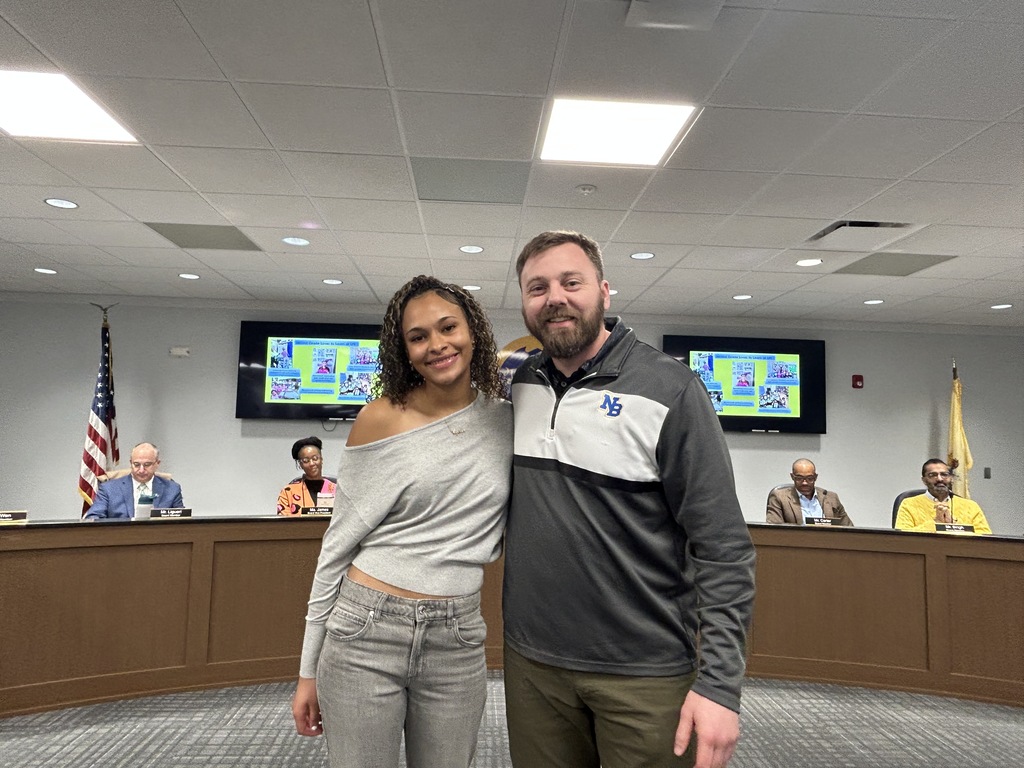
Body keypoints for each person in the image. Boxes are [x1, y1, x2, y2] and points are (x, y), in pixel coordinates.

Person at [503, 231, 756, 768]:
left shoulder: (672, 389)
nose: (555, 298)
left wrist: (719, 685)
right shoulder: (522, 384)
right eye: (537, 287)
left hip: (646, 673)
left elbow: (724, 548)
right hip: (534, 667)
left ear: (604, 291)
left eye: (572, 282)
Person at [291, 276, 512, 768]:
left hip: (457, 636)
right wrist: (308, 670)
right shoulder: (380, 418)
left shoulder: (506, 421)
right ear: (404, 350)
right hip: (365, 629)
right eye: (418, 336)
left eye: (447, 327)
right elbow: (337, 547)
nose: (437, 345)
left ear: (473, 331)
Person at [84, 442, 183, 520]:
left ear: (157, 463)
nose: (141, 470)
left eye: (147, 465)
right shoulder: (109, 489)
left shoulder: (172, 489)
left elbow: (182, 521)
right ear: (130, 463)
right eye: (136, 464)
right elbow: (93, 517)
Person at [895, 459, 991, 534]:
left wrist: (953, 527)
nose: (940, 479)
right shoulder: (908, 504)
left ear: (951, 478)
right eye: (933, 475)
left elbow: (986, 538)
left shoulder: (971, 506)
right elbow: (903, 538)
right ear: (924, 480)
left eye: (944, 474)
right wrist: (936, 524)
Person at [766, 458, 853, 526]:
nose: (805, 483)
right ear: (792, 477)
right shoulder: (780, 497)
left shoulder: (831, 498)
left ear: (815, 477)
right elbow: (774, 529)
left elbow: (849, 528)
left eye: (809, 478)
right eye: (799, 478)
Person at [276, 436, 338, 516]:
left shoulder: (337, 490)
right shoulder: (288, 492)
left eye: (315, 458)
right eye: (306, 461)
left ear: (321, 460)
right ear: (300, 464)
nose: (312, 463)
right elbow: (284, 524)